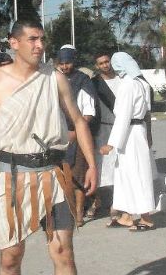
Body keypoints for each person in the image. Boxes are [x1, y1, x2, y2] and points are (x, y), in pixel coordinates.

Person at [0, 19, 97, 275]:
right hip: (13, 174)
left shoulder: (54, 78)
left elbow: (78, 120)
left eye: (42, 40)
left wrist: (91, 164)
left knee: (64, 252)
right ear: (14, 43)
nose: (40, 45)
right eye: (33, 39)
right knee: (11, 257)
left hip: (54, 172)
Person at [99, 53, 156, 231]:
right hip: (137, 132)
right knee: (128, 174)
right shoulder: (141, 83)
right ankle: (126, 215)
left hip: (130, 134)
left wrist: (112, 143)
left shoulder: (128, 85)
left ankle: (146, 219)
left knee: (135, 174)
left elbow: (123, 116)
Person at [57, 45, 97, 227]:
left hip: (78, 135)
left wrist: (76, 131)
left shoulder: (83, 81)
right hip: (58, 135)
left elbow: (88, 112)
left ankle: (79, 213)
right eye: (62, 63)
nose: (65, 66)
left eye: (68, 62)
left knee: (78, 177)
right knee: (62, 177)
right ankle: (68, 212)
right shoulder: (54, 80)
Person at [90, 51, 122, 222]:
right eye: (101, 63)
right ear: (97, 66)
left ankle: (118, 204)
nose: (105, 65)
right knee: (103, 169)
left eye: (107, 61)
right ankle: (100, 202)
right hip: (103, 130)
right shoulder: (94, 84)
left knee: (119, 167)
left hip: (122, 129)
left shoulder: (123, 80)